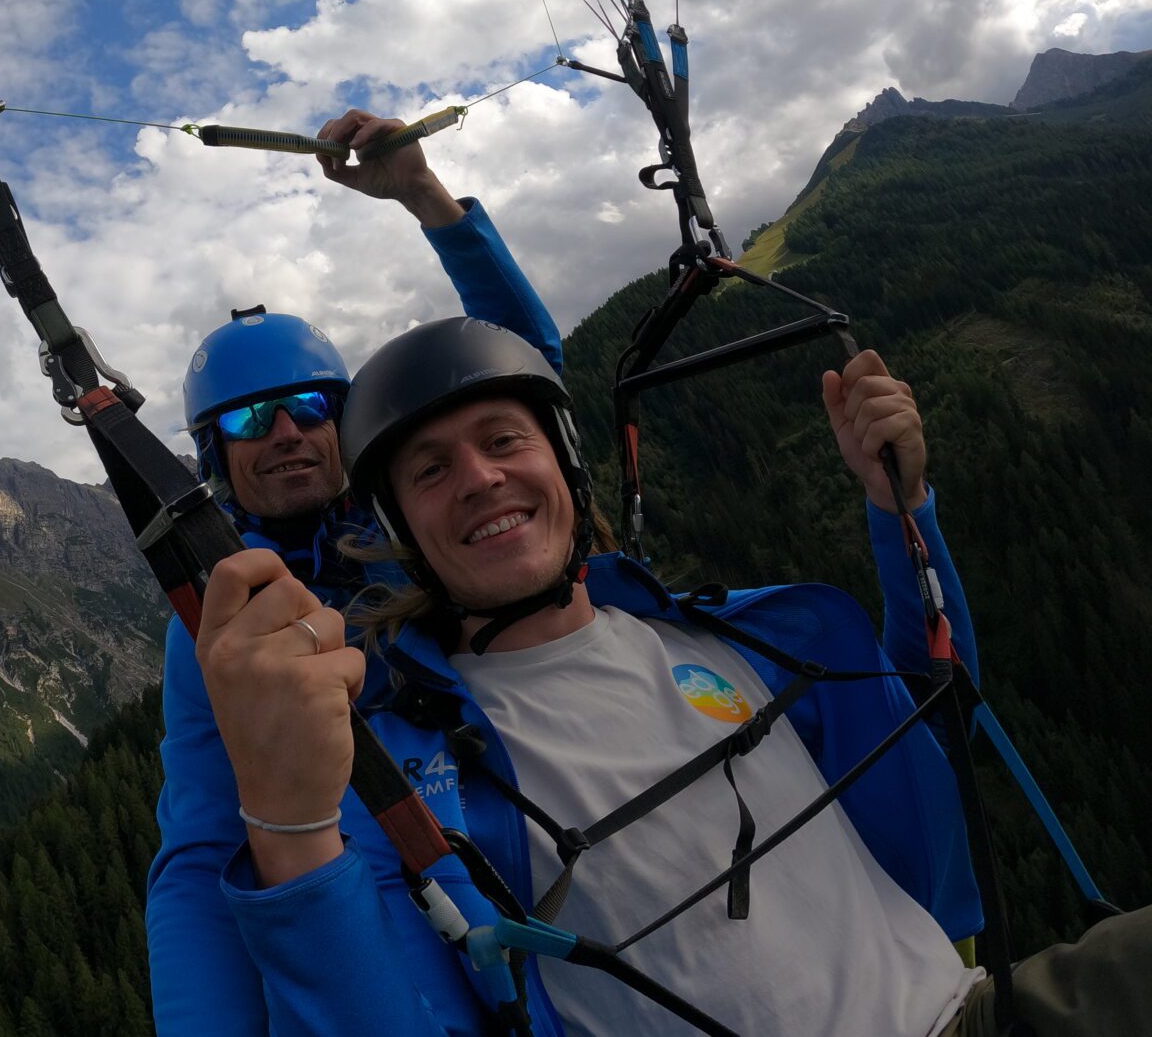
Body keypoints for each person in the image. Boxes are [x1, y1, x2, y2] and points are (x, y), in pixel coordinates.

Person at [190, 317, 1150, 1036]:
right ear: (399, 530)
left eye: (503, 440)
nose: (480, 478)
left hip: (973, 1013)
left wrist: (900, 505)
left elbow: (930, 715)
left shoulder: (737, 634)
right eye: (430, 471)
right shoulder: (410, 773)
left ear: (565, 468)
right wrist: (289, 823)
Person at [146, 110, 565, 1033]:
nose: (286, 433)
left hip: (536, 857)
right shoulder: (220, 622)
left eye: (304, 407)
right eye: (252, 421)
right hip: (366, 913)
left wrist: (426, 197)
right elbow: (201, 849)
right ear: (217, 458)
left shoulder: (424, 522)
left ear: (341, 422)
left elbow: (524, 374)